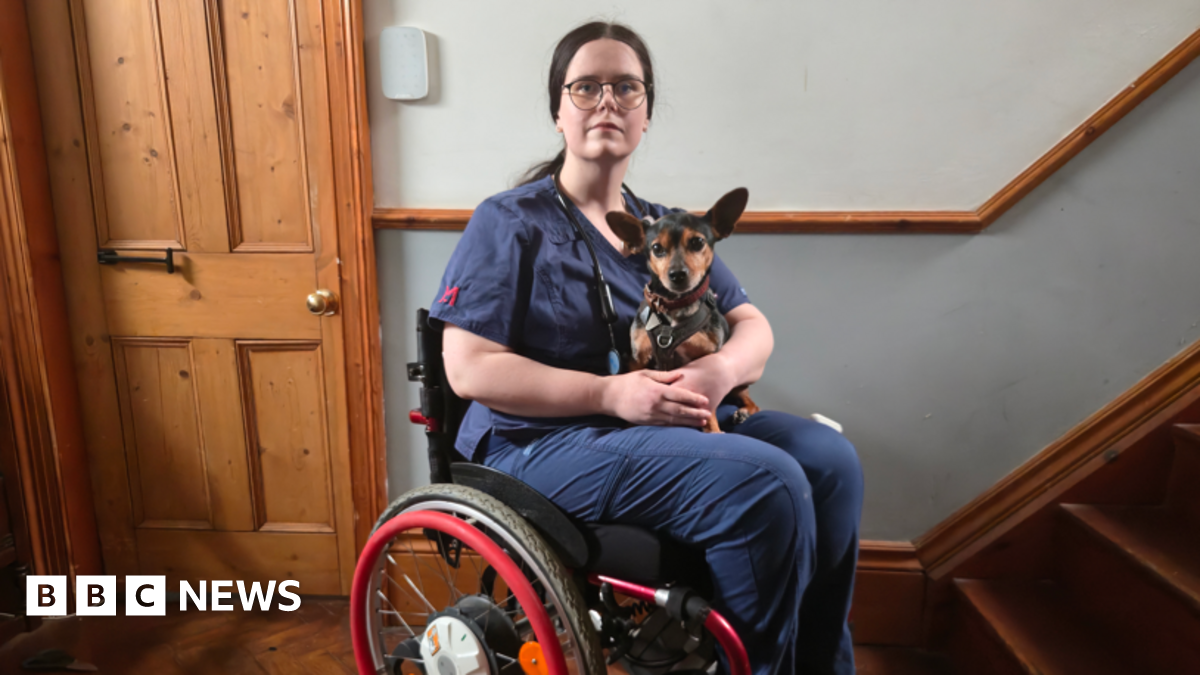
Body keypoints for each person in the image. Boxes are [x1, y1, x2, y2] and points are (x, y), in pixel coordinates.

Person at [429, 21, 863, 675]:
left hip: (665, 420)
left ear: (647, 113)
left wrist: (719, 370)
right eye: (586, 87)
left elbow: (754, 327)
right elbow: (467, 367)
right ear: (558, 111)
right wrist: (610, 392)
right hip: (542, 441)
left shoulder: (666, 228)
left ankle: (818, 664)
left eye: (626, 87)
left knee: (831, 463)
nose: (607, 101)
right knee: (767, 484)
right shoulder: (510, 221)